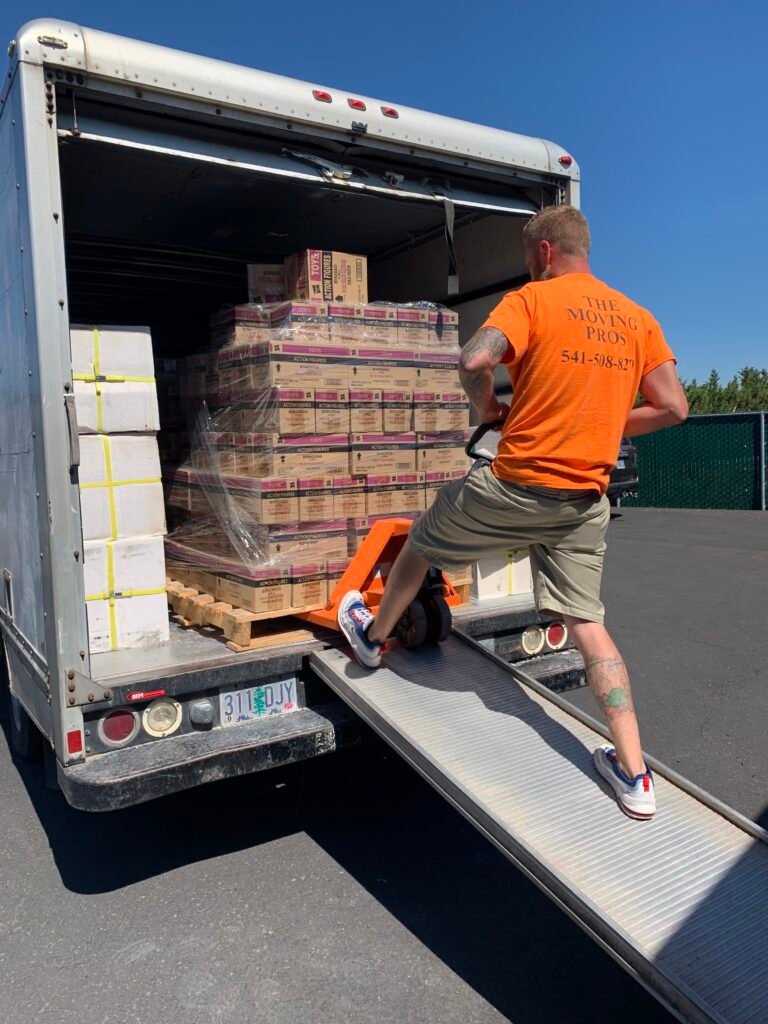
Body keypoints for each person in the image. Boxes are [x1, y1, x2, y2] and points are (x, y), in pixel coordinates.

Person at [338, 205, 688, 820]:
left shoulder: (531, 301)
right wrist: (605, 430)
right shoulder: (637, 319)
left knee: (421, 543)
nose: (528, 266)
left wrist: (488, 413)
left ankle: (372, 639)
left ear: (546, 252)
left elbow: (474, 359)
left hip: (514, 487)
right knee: (587, 623)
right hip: (583, 504)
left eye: (530, 257)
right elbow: (674, 407)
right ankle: (635, 774)